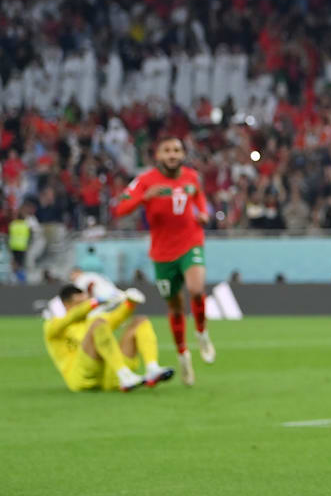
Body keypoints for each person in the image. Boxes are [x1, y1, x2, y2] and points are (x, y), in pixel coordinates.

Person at [111, 137, 213, 387]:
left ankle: (201, 333)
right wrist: (144, 197)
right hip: (162, 253)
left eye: (177, 150)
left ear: (183, 154)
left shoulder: (191, 176)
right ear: (158, 155)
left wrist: (204, 214)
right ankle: (183, 355)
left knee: (197, 289)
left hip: (191, 242)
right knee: (176, 307)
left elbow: (199, 198)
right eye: (167, 150)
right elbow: (120, 208)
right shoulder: (146, 181)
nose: (172, 155)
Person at [43, 283, 173, 392]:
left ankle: (152, 368)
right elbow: (72, 316)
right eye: (80, 304)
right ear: (67, 305)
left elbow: (116, 318)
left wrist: (130, 303)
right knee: (98, 324)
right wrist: (94, 303)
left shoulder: (92, 320)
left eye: (86, 302)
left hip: (107, 377)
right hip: (80, 379)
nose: (85, 307)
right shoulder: (54, 327)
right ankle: (124, 375)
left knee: (140, 321)